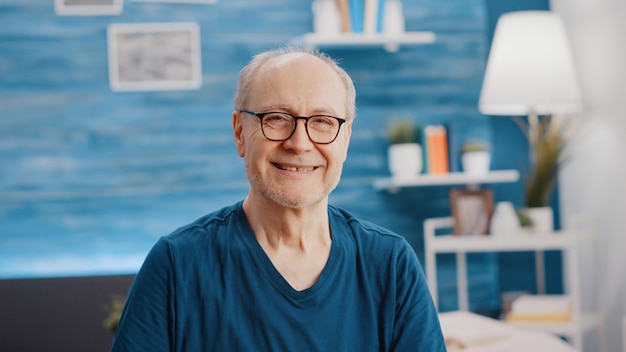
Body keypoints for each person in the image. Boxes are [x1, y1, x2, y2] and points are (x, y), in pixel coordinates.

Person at [110, 46, 446, 351]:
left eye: (323, 121)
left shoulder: (390, 264)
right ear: (240, 132)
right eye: (277, 118)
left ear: (345, 140)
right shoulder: (176, 265)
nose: (299, 143)